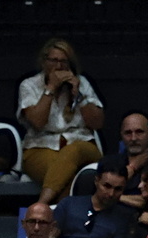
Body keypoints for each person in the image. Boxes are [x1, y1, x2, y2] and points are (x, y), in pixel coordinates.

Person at [18, 38, 105, 205]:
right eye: (54, 61)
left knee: (75, 149)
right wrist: (50, 88)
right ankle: (59, 224)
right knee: (66, 177)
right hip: (40, 147)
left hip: (83, 145)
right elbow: (37, 122)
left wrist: (78, 95)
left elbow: (97, 123)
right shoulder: (29, 85)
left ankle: (40, 207)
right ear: (44, 62)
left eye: (64, 61)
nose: (59, 66)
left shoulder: (82, 83)